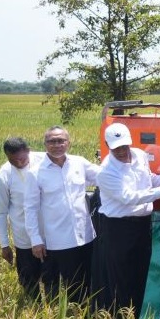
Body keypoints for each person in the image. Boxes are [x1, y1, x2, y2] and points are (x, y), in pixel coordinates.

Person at [96, 122, 160, 319]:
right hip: (119, 229)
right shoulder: (106, 172)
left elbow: (149, 179)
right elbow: (129, 197)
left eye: (124, 146)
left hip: (143, 225)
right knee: (121, 278)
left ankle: (135, 318)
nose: (121, 151)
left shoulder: (140, 156)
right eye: (116, 148)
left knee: (141, 273)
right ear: (108, 145)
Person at [24, 125, 100, 304]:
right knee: (65, 286)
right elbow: (30, 208)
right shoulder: (35, 173)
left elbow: (104, 177)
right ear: (45, 144)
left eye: (61, 140)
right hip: (58, 241)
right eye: (52, 141)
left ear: (68, 143)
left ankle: (86, 318)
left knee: (88, 282)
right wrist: (35, 240)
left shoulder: (79, 163)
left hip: (86, 236)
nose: (56, 144)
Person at [0, 137, 45, 299]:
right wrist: (4, 245)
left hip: (51, 232)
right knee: (29, 281)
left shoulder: (43, 160)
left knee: (54, 279)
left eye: (22, 158)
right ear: (7, 157)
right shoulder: (3, 176)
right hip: (24, 236)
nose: (19, 162)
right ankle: (33, 310)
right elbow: (0, 211)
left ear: (29, 151)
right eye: (13, 160)